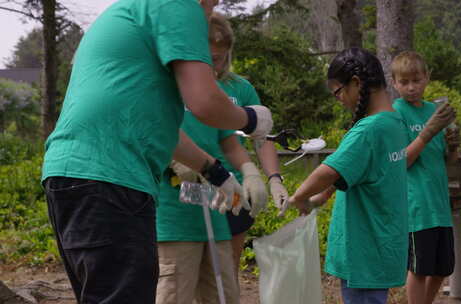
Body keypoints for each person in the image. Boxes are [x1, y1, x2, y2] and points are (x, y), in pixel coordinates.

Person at [40, 0, 273, 303]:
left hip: (75, 176)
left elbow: (153, 124)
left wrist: (212, 170)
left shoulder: (139, 12)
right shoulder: (179, 4)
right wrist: (251, 119)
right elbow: (204, 102)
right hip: (113, 179)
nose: (211, 9)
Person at [155, 13, 286, 304]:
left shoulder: (226, 90)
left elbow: (230, 140)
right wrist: (175, 160)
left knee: (223, 292)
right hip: (175, 212)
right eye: (209, 58)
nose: (214, 66)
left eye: (220, 58)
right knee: (175, 291)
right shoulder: (166, 85)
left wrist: (253, 172)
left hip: (220, 201)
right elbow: (149, 128)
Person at [288, 48, 409, 304]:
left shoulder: (368, 130)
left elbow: (329, 170)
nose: (338, 99)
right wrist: (324, 196)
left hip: (363, 250)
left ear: (356, 83)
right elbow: (361, 171)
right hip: (383, 245)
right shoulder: (394, 122)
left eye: (338, 92)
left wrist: (299, 196)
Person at [390, 50, 459, 304]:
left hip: (440, 204)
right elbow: (402, 161)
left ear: (427, 78)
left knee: (443, 267)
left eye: (416, 80)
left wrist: (453, 145)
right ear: (395, 83)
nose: (411, 87)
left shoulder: (435, 109)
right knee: (419, 269)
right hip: (416, 206)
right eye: (404, 82)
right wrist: (427, 133)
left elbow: (449, 161)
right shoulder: (396, 113)